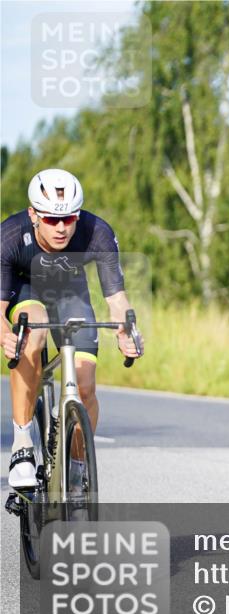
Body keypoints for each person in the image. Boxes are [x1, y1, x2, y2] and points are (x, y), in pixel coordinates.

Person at [2, 168, 141, 490]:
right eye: (52, 219)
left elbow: (117, 298)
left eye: (70, 218)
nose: (62, 228)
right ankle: (22, 445)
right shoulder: (9, 236)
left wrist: (126, 332)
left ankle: (77, 467)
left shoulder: (97, 232)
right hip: (25, 290)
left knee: (85, 384)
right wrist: (7, 338)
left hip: (70, 292)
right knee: (31, 337)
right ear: (33, 214)